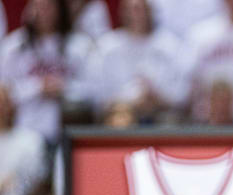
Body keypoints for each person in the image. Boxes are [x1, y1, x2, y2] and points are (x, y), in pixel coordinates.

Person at [0, 0, 95, 147]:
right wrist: (37, 87)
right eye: (38, 5)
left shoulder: (80, 45)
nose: (43, 12)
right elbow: (5, 92)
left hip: (70, 132)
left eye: (49, 6)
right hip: (24, 133)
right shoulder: (14, 46)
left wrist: (64, 87)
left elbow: (96, 92)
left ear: (60, 9)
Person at [91, 0, 184, 124]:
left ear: (150, 10)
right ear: (122, 12)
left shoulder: (170, 45)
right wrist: (127, 102)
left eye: (140, 9)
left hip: (161, 115)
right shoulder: (107, 46)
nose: (136, 15)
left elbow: (181, 93)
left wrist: (157, 99)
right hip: (117, 117)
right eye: (131, 9)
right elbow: (96, 95)